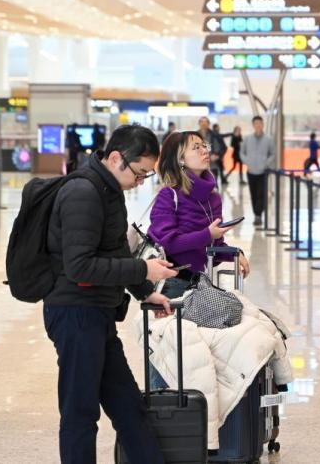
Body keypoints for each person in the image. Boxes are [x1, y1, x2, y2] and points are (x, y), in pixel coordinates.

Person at [43, 124, 177, 464]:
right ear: (116, 157)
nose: (141, 182)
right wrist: (143, 270)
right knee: (80, 413)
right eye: (140, 173)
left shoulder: (109, 189)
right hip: (74, 314)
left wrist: (145, 291)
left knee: (128, 407)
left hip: (98, 312)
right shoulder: (82, 194)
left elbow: (116, 249)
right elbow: (80, 267)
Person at [147, 130, 250, 388]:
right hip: (170, 286)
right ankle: (160, 416)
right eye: (196, 147)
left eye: (204, 145)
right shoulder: (168, 196)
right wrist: (206, 234)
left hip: (200, 284)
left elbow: (215, 243)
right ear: (180, 159)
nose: (205, 150)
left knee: (195, 360)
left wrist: (235, 254)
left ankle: (195, 414)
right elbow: (167, 242)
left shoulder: (212, 197)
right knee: (165, 359)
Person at [240, 116, 276, 226]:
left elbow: (273, 154)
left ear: (263, 124)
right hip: (251, 171)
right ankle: (256, 213)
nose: (258, 125)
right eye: (256, 123)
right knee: (254, 194)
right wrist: (247, 162)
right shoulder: (247, 139)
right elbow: (242, 153)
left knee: (261, 194)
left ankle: (258, 215)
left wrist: (266, 163)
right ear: (253, 125)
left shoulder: (268, 139)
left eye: (260, 123)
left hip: (263, 172)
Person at [198, 117, 227, 185]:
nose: (203, 124)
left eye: (205, 122)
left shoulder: (215, 135)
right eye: (202, 122)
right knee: (200, 186)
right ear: (199, 124)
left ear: (208, 124)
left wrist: (218, 155)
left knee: (213, 185)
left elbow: (224, 147)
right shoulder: (194, 135)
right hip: (198, 166)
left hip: (212, 165)